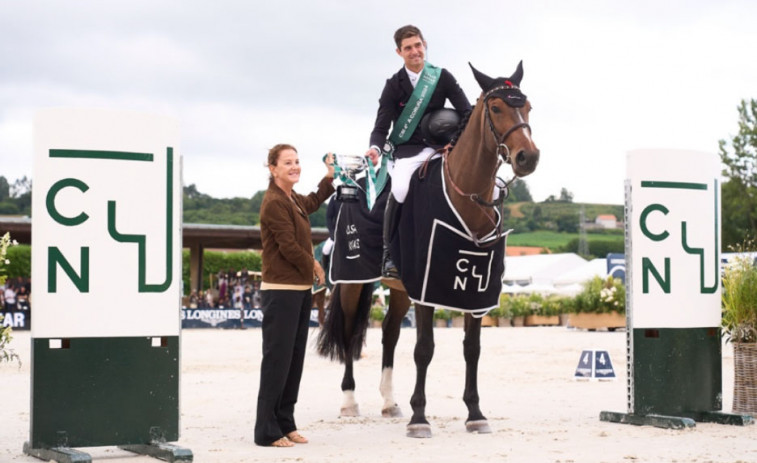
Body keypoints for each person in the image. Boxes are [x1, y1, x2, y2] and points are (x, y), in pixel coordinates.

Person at [365, 24, 471, 278]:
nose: (415, 51)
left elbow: (467, 111)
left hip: (442, 148)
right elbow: (381, 127)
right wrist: (374, 148)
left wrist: (455, 142)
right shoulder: (393, 85)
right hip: (409, 152)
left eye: (418, 45)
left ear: (425, 45)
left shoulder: (441, 76)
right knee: (400, 188)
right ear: (399, 52)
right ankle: (390, 254)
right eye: (408, 48)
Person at [255, 144, 334, 447]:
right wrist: (314, 263)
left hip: (300, 291)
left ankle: (285, 422)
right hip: (281, 291)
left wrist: (328, 178)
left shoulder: (291, 199)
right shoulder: (274, 202)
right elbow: (287, 245)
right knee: (277, 361)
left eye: (297, 161)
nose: (295, 166)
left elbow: (313, 201)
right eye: (288, 162)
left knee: (294, 360)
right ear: (272, 168)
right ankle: (266, 429)